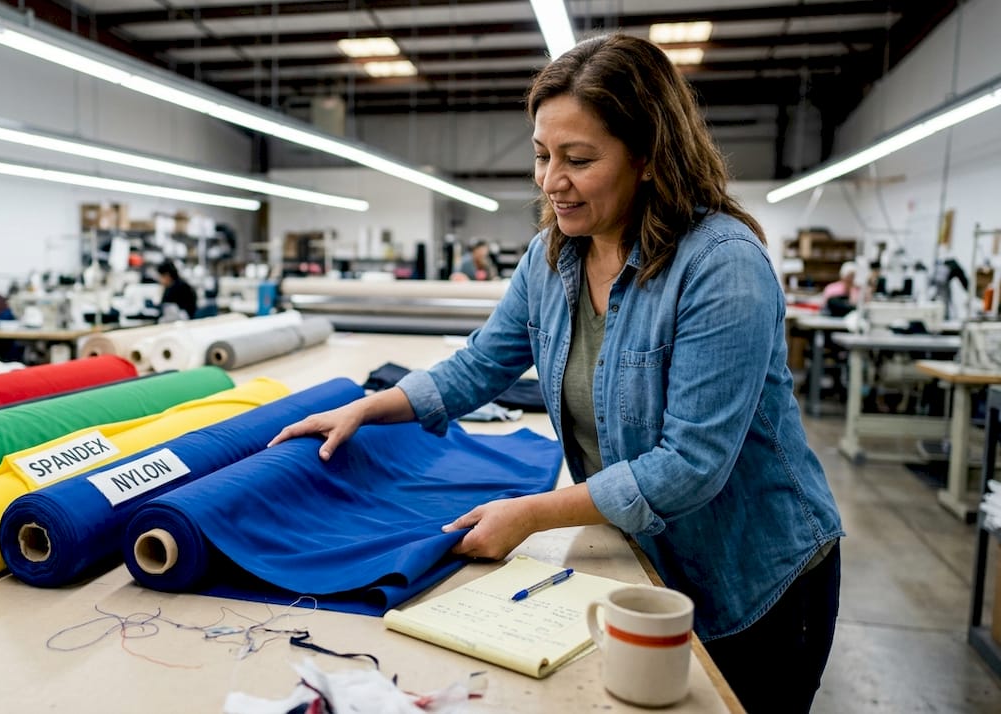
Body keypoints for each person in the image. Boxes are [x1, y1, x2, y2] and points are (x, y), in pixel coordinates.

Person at [270, 34, 842, 713]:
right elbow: (483, 363)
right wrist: (371, 407)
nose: (550, 181)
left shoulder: (721, 266)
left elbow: (691, 464)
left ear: (649, 157)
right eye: (542, 155)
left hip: (758, 577)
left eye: (578, 159)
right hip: (653, 559)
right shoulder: (552, 258)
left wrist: (532, 515)